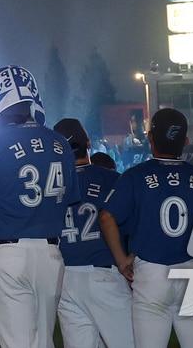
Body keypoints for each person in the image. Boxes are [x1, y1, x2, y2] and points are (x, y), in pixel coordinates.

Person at [100, 108, 193, 348]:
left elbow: (106, 217)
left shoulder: (135, 176)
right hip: (191, 269)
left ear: (151, 138)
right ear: (185, 141)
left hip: (151, 272)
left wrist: (122, 261)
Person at [0, 65, 76, 348]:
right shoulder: (61, 143)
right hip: (51, 252)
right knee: (43, 341)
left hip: (8, 252)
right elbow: (69, 202)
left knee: (18, 343)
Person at [51, 118, 132, 348]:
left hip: (65, 277)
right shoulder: (112, 178)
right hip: (103, 272)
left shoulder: (50, 184)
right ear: (87, 142)